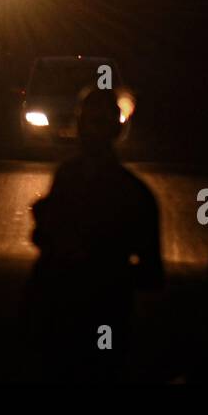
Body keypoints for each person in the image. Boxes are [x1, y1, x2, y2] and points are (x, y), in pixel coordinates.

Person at [26, 88, 163, 380]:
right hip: (82, 314)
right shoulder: (130, 190)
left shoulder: (127, 192)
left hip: (86, 312)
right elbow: (151, 274)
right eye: (90, 122)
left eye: (97, 122)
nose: (91, 130)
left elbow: (152, 272)